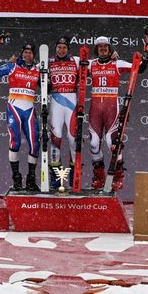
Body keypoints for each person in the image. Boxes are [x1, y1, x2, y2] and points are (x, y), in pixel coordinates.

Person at [86, 35, 148, 191]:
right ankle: (99, 176)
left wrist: (147, 55)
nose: (103, 49)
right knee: (93, 143)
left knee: (112, 143)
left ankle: (118, 175)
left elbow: (138, 68)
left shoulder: (117, 63)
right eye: (100, 47)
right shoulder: (90, 65)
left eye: (105, 47)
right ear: (96, 49)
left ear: (109, 49)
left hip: (111, 107)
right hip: (94, 108)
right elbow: (72, 66)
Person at [0, 43, 42, 190]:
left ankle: (30, 180)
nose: (26, 55)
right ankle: (16, 179)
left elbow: (48, 88)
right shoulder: (12, 66)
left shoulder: (37, 70)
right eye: (25, 52)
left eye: (30, 52)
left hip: (29, 110)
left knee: (35, 145)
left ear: (33, 55)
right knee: (15, 142)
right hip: (14, 109)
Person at [47, 37, 84, 189]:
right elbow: (30, 70)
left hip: (71, 101)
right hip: (56, 100)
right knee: (56, 139)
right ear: (56, 48)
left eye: (64, 47)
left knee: (73, 139)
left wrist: (114, 55)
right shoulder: (48, 61)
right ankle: (56, 180)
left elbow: (95, 65)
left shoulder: (76, 60)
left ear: (68, 49)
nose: (61, 50)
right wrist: (17, 63)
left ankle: (74, 177)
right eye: (59, 47)